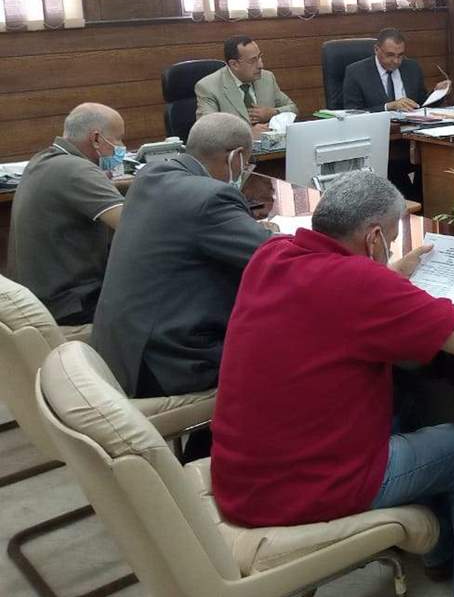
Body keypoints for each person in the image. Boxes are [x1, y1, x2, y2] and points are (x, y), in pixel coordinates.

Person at [212, 171, 454, 594]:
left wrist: (390, 276)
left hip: (242, 474)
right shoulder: (359, 283)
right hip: (300, 490)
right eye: (390, 238)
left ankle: (440, 552)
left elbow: (335, 301)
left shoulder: (272, 253)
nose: (389, 247)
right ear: (374, 238)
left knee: (408, 399)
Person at [90, 113, 274, 398]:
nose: (244, 170)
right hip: (170, 363)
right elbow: (273, 257)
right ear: (236, 156)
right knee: (288, 351)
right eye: (247, 163)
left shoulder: (150, 176)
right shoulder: (211, 197)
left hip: (121, 352)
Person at [7, 103, 125, 324]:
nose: (122, 148)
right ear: (96, 139)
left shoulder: (41, 160)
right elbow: (134, 226)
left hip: (42, 299)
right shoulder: (77, 170)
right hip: (71, 306)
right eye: (118, 139)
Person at [195, 35, 298, 136]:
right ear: (234, 64)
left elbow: (293, 109)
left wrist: (272, 112)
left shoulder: (266, 78)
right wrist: (247, 134)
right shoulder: (208, 87)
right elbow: (207, 131)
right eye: (252, 61)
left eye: (260, 57)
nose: (260, 65)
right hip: (234, 146)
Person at [341, 27, 451, 113]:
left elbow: (421, 104)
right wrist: (388, 107)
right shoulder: (356, 73)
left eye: (400, 55)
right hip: (377, 130)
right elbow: (353, 113)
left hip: (411, 129)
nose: (396, 61)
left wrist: (438, 93)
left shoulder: (412, 68)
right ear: (376, 49)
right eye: (390, 55)